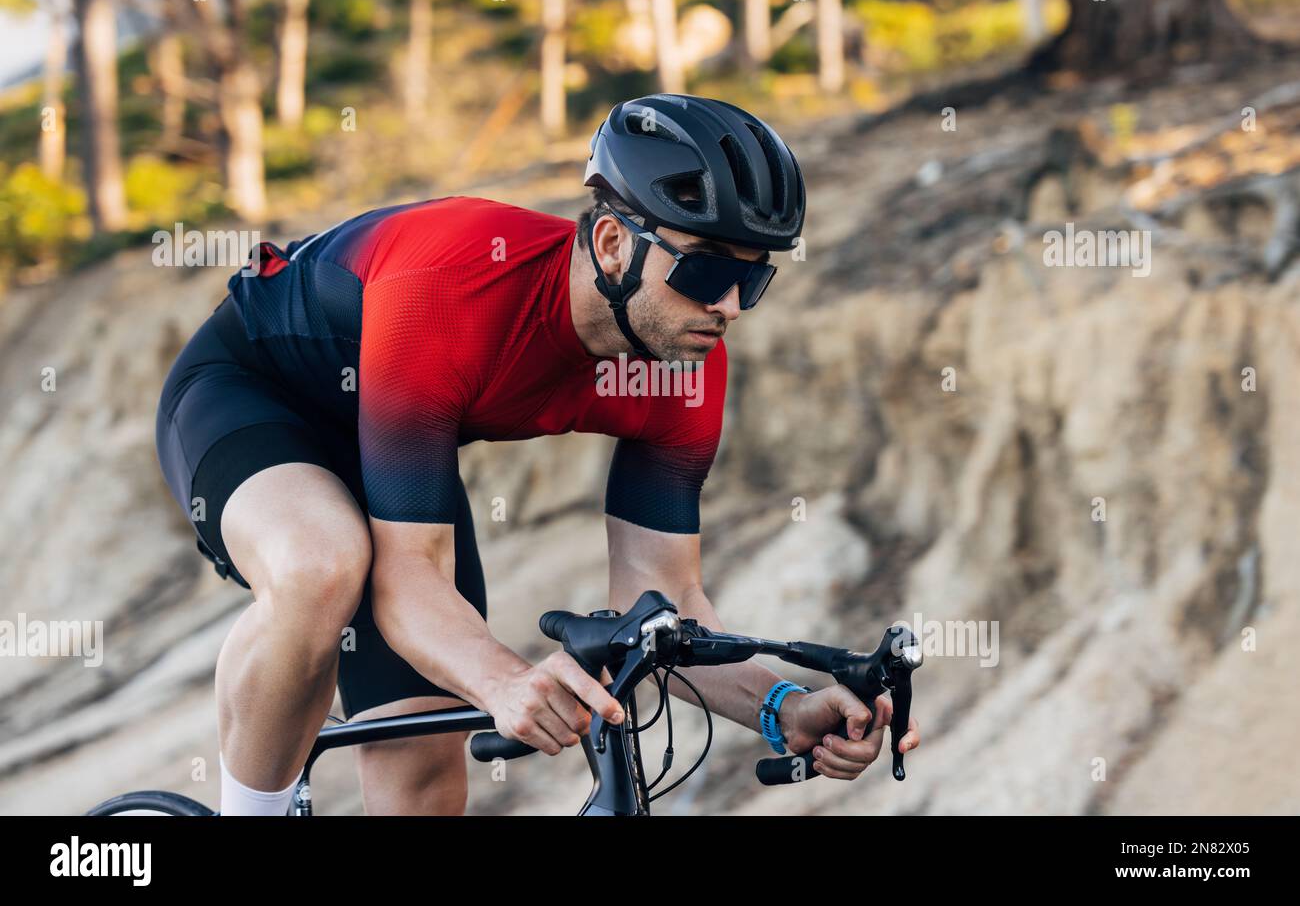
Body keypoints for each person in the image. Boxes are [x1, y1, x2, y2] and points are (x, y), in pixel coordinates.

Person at [154, 94, 920, 815]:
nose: (726, 306)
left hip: (396, 436)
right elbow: (406, 577)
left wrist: (783, 706)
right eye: (707, 271)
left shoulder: (684, 365)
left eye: (753, 280)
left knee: (422, 757)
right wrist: (504, 678)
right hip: (249, 390)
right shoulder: (451, 287)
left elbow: (658, 598)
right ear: (614, 241)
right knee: (322, 562)